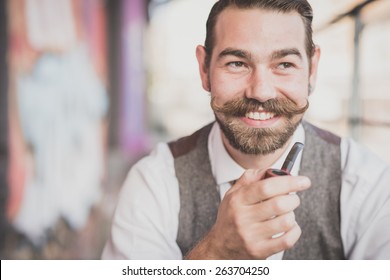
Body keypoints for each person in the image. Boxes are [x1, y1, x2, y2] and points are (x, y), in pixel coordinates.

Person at [102, 0, 390, 260]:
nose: (261, 92)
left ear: (312, 70)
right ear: (204, 69)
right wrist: (217, 253)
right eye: (237, 63)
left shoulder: (366, 183)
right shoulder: (154, 181)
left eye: (285, 64)